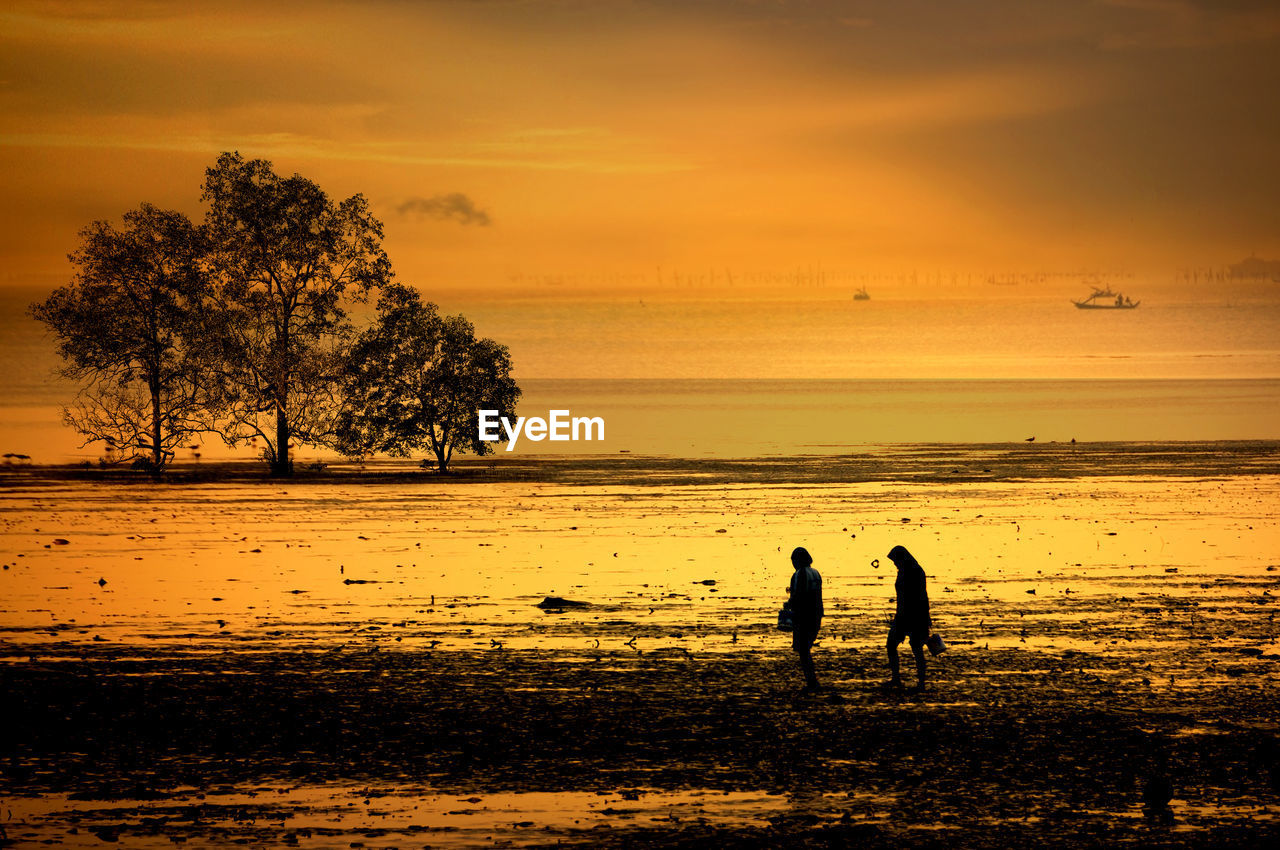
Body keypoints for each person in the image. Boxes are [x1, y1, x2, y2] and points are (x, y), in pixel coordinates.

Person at [886, 545, 931, 692]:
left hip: (915, 616)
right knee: (892, 645)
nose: (894, 564)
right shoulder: (904, 571)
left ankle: (921, 682)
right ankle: (896, 678)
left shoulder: (915, 572)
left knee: (916, 648)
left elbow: (922, 597)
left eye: (895, 561)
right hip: (902, 615)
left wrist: (925, 619)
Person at [787, 546, 823, 692]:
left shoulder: (799, 574)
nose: (793, 563)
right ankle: (812, 680)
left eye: (794, 560)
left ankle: (811, 681)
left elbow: (799, 595)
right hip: (816, 615)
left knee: (803, 650)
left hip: (803, 616)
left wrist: (789, 605)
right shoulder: (815, 573)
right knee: (806, 648)